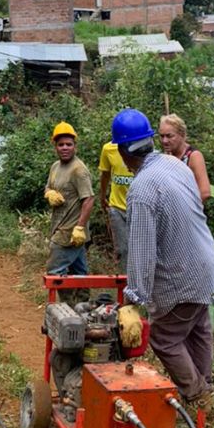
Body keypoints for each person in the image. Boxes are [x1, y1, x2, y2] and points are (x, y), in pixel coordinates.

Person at [113, 108, 214, 411]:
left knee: (164, 337)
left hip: (183, 277)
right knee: (198, 328)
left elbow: (142, 252)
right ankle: (205, 387)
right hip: (207, 266)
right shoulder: (174, 164)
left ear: (123, 152)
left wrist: (133, 300)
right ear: (150, 140)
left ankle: (198, 395)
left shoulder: (141, 190)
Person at [44, 122, 95, 302]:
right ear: (55, 147)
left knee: (55, 271)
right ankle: (83, 306)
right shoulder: (55, 167)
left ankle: (68, 307)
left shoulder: (78, 170)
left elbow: (89, 199)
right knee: (79, 272)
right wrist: (49, 193)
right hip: (58, 225)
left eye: (69, 144)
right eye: (61, 144)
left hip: (70, 231)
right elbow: (47, 186)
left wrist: (80, 227)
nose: (65, 148)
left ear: (75, 146)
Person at [159, 113, 212, 203]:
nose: (164, 141)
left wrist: (186, 207)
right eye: (162, 136)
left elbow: (205, 192)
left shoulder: (193, 156)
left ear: (182, 135)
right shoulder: (167, 156)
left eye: (169, 136)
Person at [98, 140, 132, 269]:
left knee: (140, 248)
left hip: (137, 207)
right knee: (122, 250)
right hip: (117, 207)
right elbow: (105, 174)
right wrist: (102, 196)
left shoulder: (140, 146)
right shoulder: (108, 149)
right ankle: (124, 278)